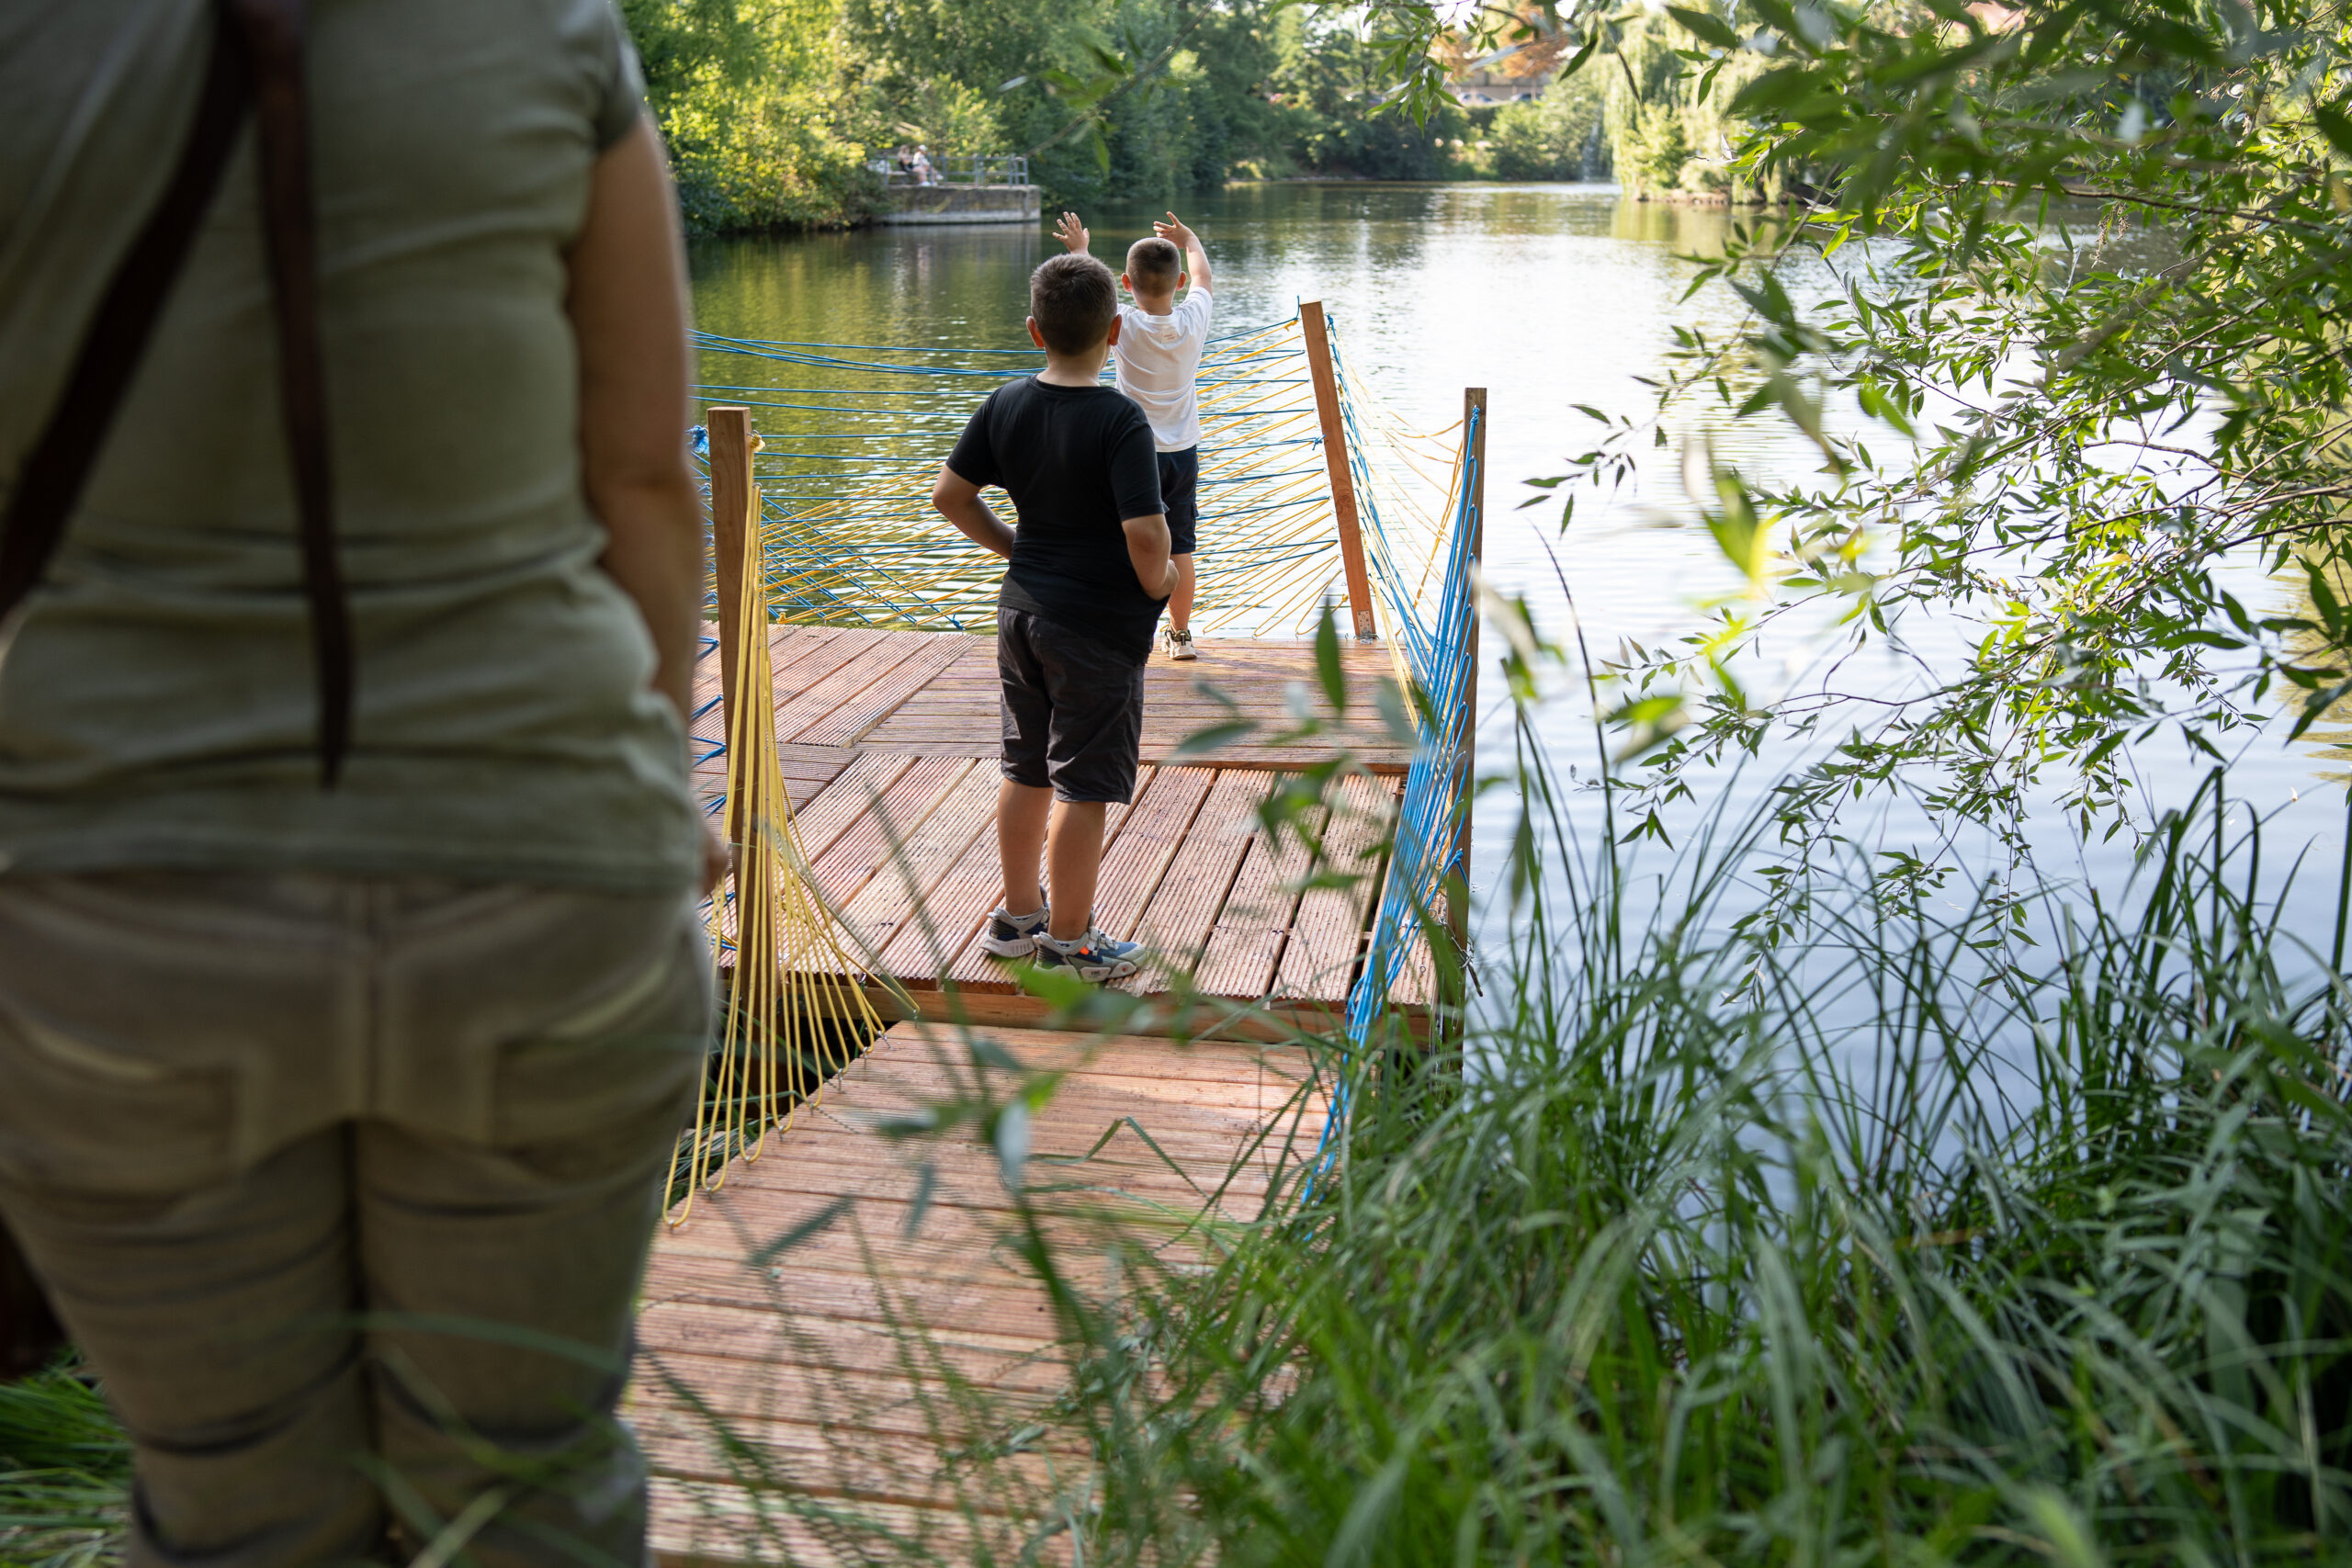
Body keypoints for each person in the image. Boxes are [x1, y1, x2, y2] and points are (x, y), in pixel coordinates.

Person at [0, 4, 719, 1563]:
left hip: (120, 912)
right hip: (547, 879)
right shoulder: (544, 25)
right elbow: (643, 476)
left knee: (237, 1509)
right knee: (523, 1485)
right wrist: (658, 790)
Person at [930, 254, 1176, 982]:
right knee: (1085, 779)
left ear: (1035, 330)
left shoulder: (1004, 402)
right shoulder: (1120, 419)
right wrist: (1157, 584)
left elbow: (950, 495)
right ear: (1117, 330)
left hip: (1021, 614)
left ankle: (1017, 916)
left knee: (1026, 762)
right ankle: (1071, 945)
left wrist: (1016, 550)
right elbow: (1145, 531)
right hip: (1095, 625)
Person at [1054, 209, 1215, 660]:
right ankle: (1180, 635)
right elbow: (1202, 275)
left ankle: (1125, 630)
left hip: (1130, 450)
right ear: (1178, 284)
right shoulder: (1192, 320)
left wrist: (1082, 252)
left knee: (1127, 538)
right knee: (1179, 545)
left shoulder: (1122, 324)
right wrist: (1191, 239)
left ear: (1127, 285)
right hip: (1182, 452)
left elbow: (1093, 291)